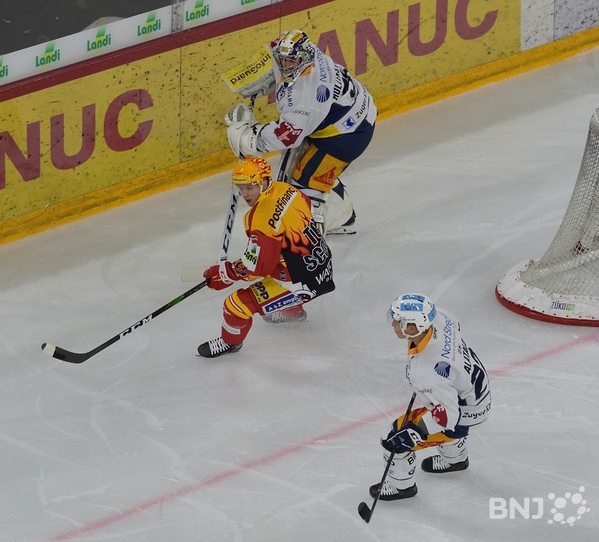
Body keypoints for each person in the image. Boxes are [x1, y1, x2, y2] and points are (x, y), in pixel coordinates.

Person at [225, 29, 377, 236]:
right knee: (298, 164)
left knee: (302, 185)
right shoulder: (307, 52)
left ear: (304, 59)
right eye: (282, 61)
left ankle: (310, 237)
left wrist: (251, 138)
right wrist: (261, 72)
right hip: (346, 113)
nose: (286, 66)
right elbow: (275, 45)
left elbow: (287, 136)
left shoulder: (309, 100)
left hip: (347, 136)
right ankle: (341, 210)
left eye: (292, 62)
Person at [197, 156, 335, 358]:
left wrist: (225, 274)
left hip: (303, 282)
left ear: (263, 181)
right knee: (279, 266)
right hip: (322, 262)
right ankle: (293, 311)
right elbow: (305, 205)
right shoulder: (285, 189)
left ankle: (230, 342)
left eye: (250, 187)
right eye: (241, 187)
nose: (245, 194)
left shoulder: (260, 217)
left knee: (236, 305)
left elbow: (258, 267)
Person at [369, 293, 492, 500]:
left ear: (412, 328)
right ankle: (455, 459)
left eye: (398, 321)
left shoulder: (427, 371)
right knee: (440, 409)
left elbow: (448, 418)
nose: (392, 324)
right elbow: (455, 327)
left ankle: (402, 486)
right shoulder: (441, 319)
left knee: (392, 438)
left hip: (462, 411)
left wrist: (414, 431)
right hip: (475, 395)